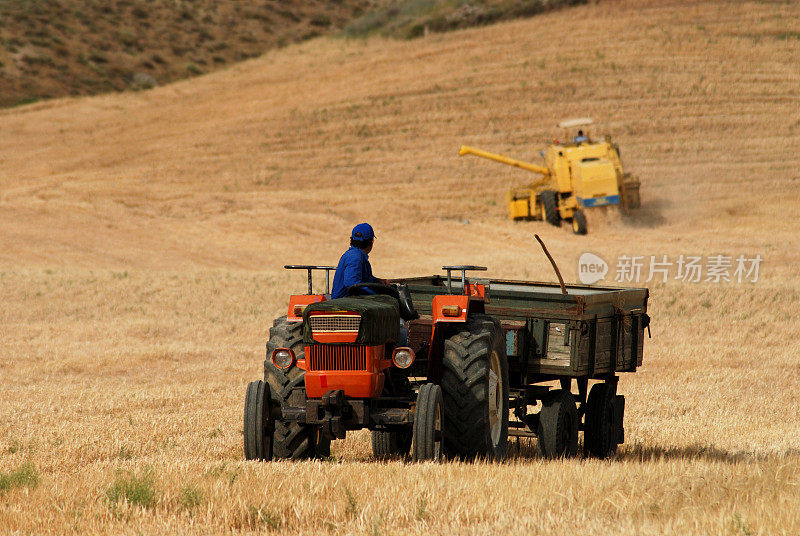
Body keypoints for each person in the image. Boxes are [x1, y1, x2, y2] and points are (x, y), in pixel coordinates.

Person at [330, 223, 387, 299]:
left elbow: (361, 278)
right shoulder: (355, 257)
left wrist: (377, 281)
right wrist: (375, 295)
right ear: (371, 242)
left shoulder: (355, 254)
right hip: (344, 304)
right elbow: (352, 283)